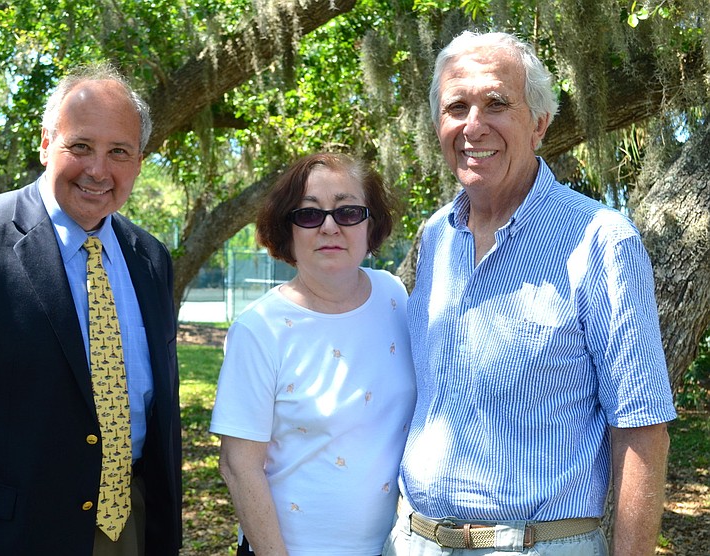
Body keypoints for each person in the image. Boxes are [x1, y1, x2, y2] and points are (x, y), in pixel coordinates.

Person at [384, 31, 677, 556]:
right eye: (457, 106)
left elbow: (642, 429)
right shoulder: (435, 237)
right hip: (415, 541)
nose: (474, 126)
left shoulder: (600, 240)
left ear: (539, 123)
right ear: (438, 126)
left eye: (496, 103)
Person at [0, 64, 182, 556]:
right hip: (10, 537)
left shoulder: (150, 258)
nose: (98, 170)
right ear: (47, 143)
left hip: (130, 526)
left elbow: (158, 417)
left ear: (139, 161)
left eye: (119, 152)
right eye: (81, 146)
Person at [210, 152, 416, 556]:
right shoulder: (260, 328)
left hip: (394, 547)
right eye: (308, 214)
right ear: (286, 231)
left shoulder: (395, 296)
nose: (329, 227)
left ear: (370, 224)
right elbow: (239, 466)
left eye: (348, 211)